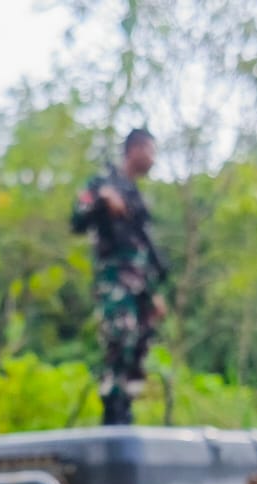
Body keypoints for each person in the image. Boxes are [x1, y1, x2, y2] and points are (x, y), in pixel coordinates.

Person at [71, 128, 169, 427]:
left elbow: (142, 250)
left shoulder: (136, 196)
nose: (153, 159)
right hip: (114, 281)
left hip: (141, 285)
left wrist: (153, 292)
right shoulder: (103, 183)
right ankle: (111, 412)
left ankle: (125, 410)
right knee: (119, 339)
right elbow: (77, 219)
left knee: (139, 346)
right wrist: (102, 199)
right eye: (150, 151)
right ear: (135, 149)